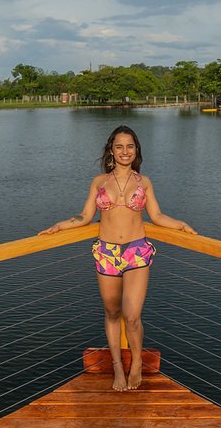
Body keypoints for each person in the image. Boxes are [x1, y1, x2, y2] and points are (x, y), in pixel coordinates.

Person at [40, 125, 197, 391]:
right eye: (119, 146)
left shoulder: (144, 182)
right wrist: (60, 225)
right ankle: (116, 366)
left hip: (136, 251)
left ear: (136, 150)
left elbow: (156, 216)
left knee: (132, 315)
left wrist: (181, 224)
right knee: (112, 312)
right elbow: (85, 216)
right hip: (107, 252)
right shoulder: (99, 182)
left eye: (130, 146)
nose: (125, 151)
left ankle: (136, 363)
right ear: (111, 151)